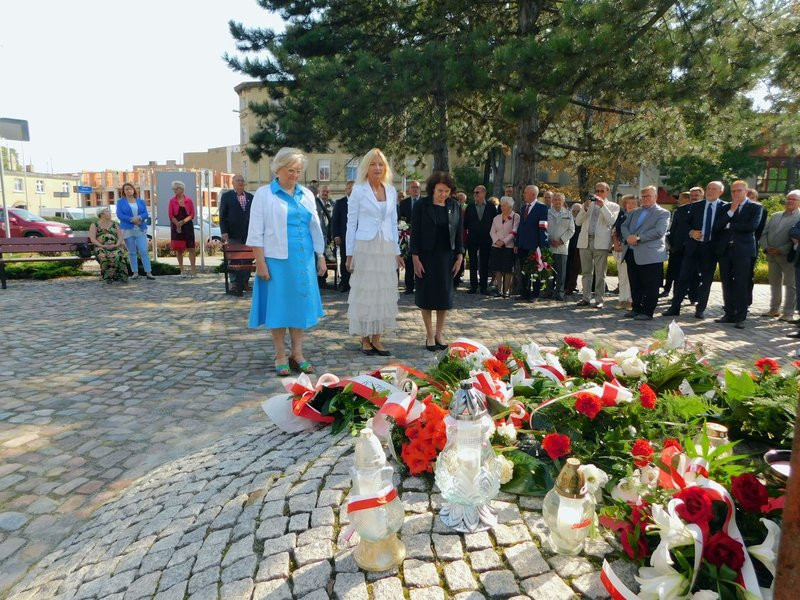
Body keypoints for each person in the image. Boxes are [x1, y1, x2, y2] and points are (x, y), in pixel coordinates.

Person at [247, 147, 326, 376]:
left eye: (298, 171)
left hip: (303, 259)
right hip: (277, 260)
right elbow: (255, 232)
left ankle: (297, 353)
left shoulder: (307, 194)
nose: (294, 175)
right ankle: (280, 353)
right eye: (290, 170)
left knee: (300, 307)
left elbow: (315, 227)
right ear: (278, 169)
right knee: (279, 307)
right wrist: (260, 262)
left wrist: (320, 256)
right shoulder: (264, 194)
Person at [345, 149, 403, 356]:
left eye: (380, 164)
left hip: (385, 247)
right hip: (365, 247)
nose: (377, 168)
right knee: (365, 292)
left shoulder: (391, 190)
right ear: (366, 167)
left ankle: (377, 337)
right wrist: (349, 254)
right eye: (373, 164)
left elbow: (393, 222)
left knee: (382, 293)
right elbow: (351, 224)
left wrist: (397, 251)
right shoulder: (358, 190)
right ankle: (364, 338)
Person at [411, 171, 464, 351]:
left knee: (444, 298)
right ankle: (429, 334)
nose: (443, 194)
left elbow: (459, 233)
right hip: (426, 256)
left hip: (446, 257)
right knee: (426, 296)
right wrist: (415, 258)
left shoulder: (454, 206)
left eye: (447, 191)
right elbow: (415, 233)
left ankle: (439, 334)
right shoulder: (421, 206)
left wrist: (460, 255)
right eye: (440, 190)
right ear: (433, 189)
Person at [663, 181, 727, 319]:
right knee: (682, 278)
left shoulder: (726, 207)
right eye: (708, 188)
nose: (710, 191)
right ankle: (675, 307)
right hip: (693, 248)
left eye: (714, 189)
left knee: (706, 280)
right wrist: (691, 232)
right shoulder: (696, 206)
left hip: (711, 250)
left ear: (720, 192)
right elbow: (683, 223)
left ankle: (700, 309)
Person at [712, 180, 763, 329]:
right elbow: (717, 226)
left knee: (741, 283)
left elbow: (751, 227)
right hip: (725, 250)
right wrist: (731, 212)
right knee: (726, 283)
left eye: (738, 191)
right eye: (733, 191)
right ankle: (729, 313)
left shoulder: (755, 207)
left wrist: (729, 225)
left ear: (746, 192)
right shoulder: (726, 207)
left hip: (743, 251)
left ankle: (741, 316)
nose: (735, 194)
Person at [620, 186, 670, 320]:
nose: (645, 199)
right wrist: (628, 237)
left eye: (648, 196)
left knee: (650, 286)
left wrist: (638, 237)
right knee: (635, 284)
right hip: (632, 253)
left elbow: (659, 231)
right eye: (643, 196)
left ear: (655, 197)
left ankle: (647, 312)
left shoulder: (663, 213)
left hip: (651, 256)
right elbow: (623, 226)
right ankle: (636, 308)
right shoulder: (635, 212)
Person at [575, 182, 620, 308]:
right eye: (597, 191)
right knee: (586, 273)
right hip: (585, 241)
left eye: (601, 191)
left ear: (607, 192)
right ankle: (586, 298)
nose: (599, 193)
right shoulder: (589, 204)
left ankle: (599, 299)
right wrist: (584, 208)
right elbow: (578, 222)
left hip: (601, 242)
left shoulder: (613, 206)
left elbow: (611, 221)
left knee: (600, 274)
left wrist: (602, 206)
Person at [760, 190, 800, 320]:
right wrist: (766, 247)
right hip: (771, 256)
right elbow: (764, 233)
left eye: (793, 199)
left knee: (791, 285)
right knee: (774, 283)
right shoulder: (775, 215)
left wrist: (781, 250)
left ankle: (788, 313)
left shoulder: (799, 217)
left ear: (799, 202)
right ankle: (774, 309)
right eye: (788, 198)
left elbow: (795, 239)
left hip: (788, 257)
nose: (789, 201)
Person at [219, 174, 254, 296]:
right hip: (233, 233)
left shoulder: (250, 197)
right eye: (237, 180)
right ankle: (234, 283)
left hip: (249, 234)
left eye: (242, 181)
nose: (240, 182)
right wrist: (224, 232)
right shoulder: (227, 196)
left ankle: (244, 282)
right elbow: (222, 216)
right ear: (233, 183)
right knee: (234, 259)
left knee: (248, 259)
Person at [515, 185, 550, 301]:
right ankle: (524, 293)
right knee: (524, 271)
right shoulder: (523, 208)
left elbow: (542, 228)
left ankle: (535, 294)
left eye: (526, 193)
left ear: (533, 194)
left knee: (535, 271)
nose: (523, 195)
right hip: (523, 245)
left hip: (535, 245)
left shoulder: (542, 208)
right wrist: (517, 242)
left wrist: (543, 246)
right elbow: (521, 227)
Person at [116, 182, 155, 281]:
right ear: (124, 192)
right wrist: (131, 219)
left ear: (133, 190)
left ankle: (148, 272)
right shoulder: (121, 202)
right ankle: (135, 273)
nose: (128, 191)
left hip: (140, 228)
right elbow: (120, 215)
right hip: (127, 229)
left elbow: (146, 213)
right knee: (132, 252)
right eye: (126, 189)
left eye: (130, 189)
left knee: (143, 250)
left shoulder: (141, 201)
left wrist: (139, 218)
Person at [464, 185, 497, 294]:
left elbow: (495, 223)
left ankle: (483, 287)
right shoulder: (470, 207)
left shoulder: (491, 207)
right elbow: (465, 223)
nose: (475, 194)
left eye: (477, 192)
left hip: (486, 239)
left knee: (484, 263)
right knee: (473, 262)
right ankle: (473, 286)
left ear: (484, 193)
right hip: (472, 238)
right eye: (474, 192)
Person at [661, 191, 693, 299]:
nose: (678, 200)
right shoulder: (678, 210)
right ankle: (667, 289)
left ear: (687, 198)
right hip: (675, 246)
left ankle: (677, 294)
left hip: (683, 246)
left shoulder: (690, 210)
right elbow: (673, 228)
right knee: (671, 270)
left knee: (679, 272)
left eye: (680, 197)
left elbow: (680, 229)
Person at [489, 196, 520, 298]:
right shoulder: (496, 218)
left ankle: (506, 291)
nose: (502, 208)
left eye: (505, 206)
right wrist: (497, 241)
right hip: (496, 245)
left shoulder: (516, 216)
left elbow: (514, 231)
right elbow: (492, 231)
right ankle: (499, 289)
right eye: (501, 205)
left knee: (508, 270)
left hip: (508, 246)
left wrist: (504, 241)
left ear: (510, 206)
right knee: (497, 268)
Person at [546, 192, 574, 301]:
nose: (557, 201)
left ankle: (559, 293)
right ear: (552, 201)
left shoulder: (568, 214)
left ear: (563, 202)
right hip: (549, 247)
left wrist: (561, 240)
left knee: (561, 273)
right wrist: (549, 239)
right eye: (555, 199)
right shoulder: (547, 213)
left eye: (559, 200)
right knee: (548, 271)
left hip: (562, 247)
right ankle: (548, 291)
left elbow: (571, 230)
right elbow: (543, 227)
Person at [612, 195, 638, 310]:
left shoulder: (640, 218)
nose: (631, 205)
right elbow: (614, 232)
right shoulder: (621, 216)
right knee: (622, 276)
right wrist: (616, 244)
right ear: (625, 204)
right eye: (629, 203)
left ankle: (631, 300)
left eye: (634, 203)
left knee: (631, 277)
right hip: (620, 250)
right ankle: (622, 299)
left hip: (634, 250)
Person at [89, 207, 128, 284]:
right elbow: (92, 239)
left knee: (118, 255)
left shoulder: (115, 224)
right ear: (101, 214)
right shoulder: (95, 225)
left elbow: (120, 237)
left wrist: (116, 245)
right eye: (107, 211)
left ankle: (121, 276)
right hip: (100, 247)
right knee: (103, 256)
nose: (110, 213)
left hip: (115, 247)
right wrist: (102, 246)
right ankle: (108, 277)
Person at [168, 181, 197, 277]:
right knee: (178, 249)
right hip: (176, 226)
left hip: (187, 225)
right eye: (173, 189)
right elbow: (170, 214)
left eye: (176, 188)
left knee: (191, 248)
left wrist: (183, 222)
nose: (174, 190)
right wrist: (177, 224)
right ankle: (182, 271)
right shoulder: (172, 201)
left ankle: (193, 271)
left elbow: (192, 214)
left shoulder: (189, 200)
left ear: (181, 189)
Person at [398, 180, 421, 294]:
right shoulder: (404, 203)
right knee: (409, 262)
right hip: (407, 237)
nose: (415, 189)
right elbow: (400, 219)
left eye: (417, 187)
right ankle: (409, 286)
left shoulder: (425, 202)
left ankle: (420, 286)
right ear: (409, 190)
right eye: (413, 187)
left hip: (422, 237)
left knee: (421, 262)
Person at [331, 180, 354, 293]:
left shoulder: (361, 203)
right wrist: (336, 236)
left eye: (353, 188)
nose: (351, 190)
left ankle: (356, 284)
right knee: (345, 260)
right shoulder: (340, 203)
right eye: (349, 188)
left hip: (359, 238)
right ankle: (345, 283)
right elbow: (334, 221)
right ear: (346, 190)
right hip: (344, 238)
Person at [564, 202, 582, 295]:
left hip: (579, 247)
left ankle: (572, 285)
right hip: (568, 246)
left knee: (575, 268)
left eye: (578, 211)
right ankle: (567, 285)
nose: (576, 212)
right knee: (568, 266)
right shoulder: (568, 219)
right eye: (574, 211)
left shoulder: (582, 221)